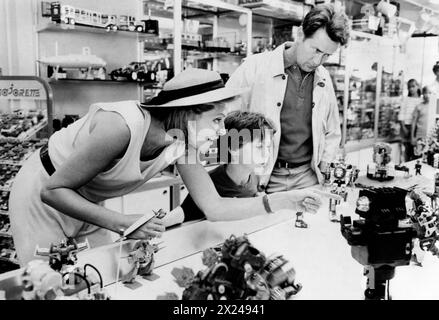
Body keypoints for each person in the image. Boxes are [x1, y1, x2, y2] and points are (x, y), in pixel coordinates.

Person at [9, 68, 334, 265]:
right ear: (190, 110)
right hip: (42, 195)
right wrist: (124, 221)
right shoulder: (121, 126)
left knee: (99, 277)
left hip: (89, 204)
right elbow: (54, 190)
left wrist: (281, 201)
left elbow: (214, 207)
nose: (223, 132)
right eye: (217, 119)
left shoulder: (182, 141)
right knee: (48, 282)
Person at [226, 4, 350, 193]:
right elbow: (224, 121)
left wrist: (326, 162)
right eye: (315, 50)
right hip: (262, 177)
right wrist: (241, 170)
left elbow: (332, 131)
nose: (318, 61)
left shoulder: (323, 77)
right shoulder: (254, 68)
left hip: (308, 177)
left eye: (326, 55)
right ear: (300, 34)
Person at [164, 111, 276, 225]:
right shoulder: (209, 183)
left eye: (267, 147)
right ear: (234, 148)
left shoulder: (254, 176)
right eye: (259, 146)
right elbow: (183, 212)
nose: (266, 154)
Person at [398, 79, 421, 162]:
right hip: (406, 127)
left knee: (415, 151)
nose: (411, 89)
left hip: (416, 128)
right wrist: (403, 127)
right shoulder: (405, 99)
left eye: (413, 86)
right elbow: (401, 114)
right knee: (406, 151)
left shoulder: (421, 100)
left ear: (418, 86)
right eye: (409, 87)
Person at [411, 86, 432, 152]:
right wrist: (412, 137)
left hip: (430, 138)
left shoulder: (434, 107)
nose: (427, 95)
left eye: (429, 93)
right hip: (419, 137)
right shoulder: (419, 106)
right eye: (425, 93)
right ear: (422, 94)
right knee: (418, 155)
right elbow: (413, 122)